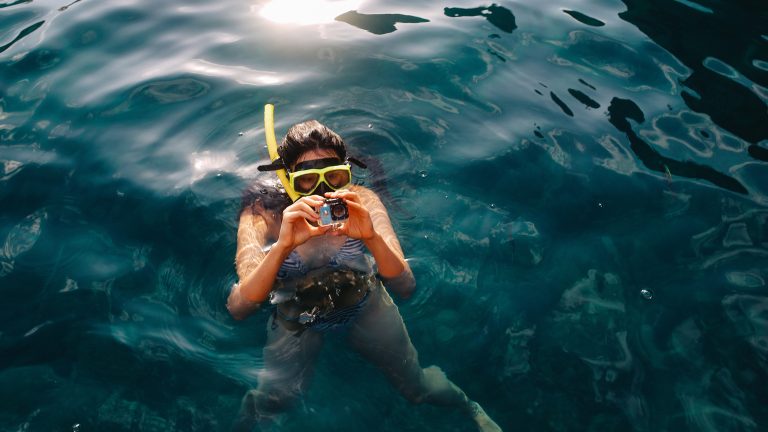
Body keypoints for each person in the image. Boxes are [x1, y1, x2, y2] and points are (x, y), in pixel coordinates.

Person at [227, 120, 501, 432]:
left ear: (347, 174)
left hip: (363, 301)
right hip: (296, 313)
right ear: (287, 178)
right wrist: (282, 246)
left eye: (334, 177)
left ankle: (470, 406)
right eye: (307, 181)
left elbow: (405, 286)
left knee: (416, 389)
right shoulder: (263, 213)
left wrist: (370, 235)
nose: (325, 191)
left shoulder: (361, 200)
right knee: (277, 400)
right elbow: (239, 307)